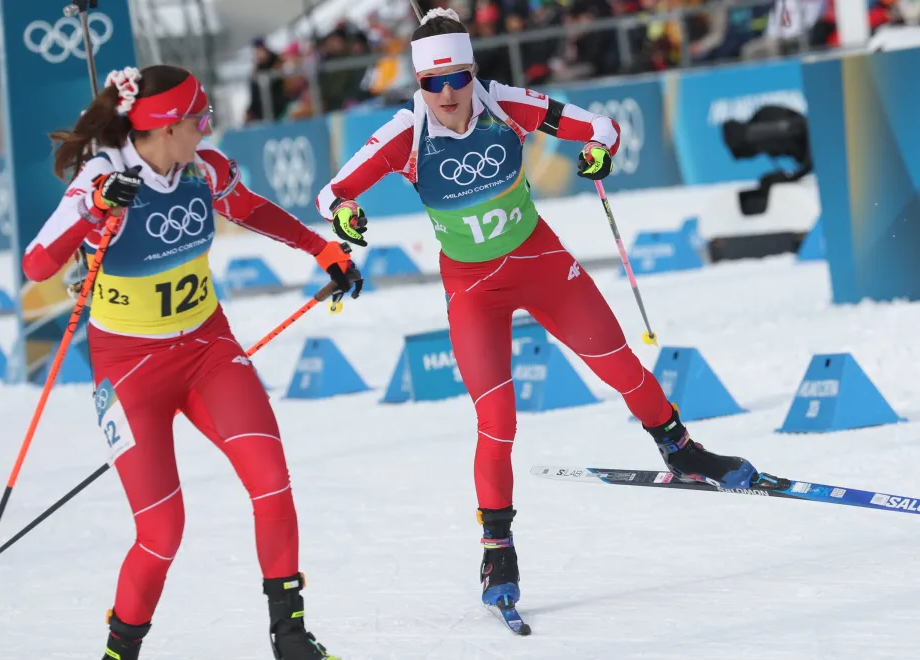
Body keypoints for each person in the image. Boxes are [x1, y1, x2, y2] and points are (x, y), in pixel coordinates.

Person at [315, 8, 784, 617]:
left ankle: (680, 448)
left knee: (618, 365)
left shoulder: (504, 102)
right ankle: (497, 548)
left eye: (457, 77)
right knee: (498, 420)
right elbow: (332, 193)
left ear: (472, 71)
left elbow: (604, 129)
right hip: (473, 289)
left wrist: (597, 153)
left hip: (539, 262)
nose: (448, 94)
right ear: (418, 85)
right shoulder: (407, 134)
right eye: (433, 83)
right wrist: (345, 217)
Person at [22, 64, 351, 660]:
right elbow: (38, 264)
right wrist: (95, 209)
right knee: (162, 532)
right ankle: (119, 653)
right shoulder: (104, 174)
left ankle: (291, 635)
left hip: (207, 351)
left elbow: (251, 209)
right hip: (128, 371)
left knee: (272, 483)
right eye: (199, 118)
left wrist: (323, 248)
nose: (208, 127)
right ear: (166, 127)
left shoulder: (206, 167)